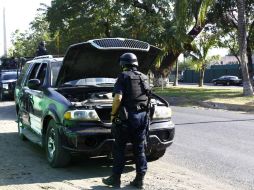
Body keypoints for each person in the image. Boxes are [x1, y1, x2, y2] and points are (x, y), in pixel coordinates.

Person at [102, 53, 150, 189]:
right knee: (139, 149)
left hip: (126, 119)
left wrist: (112, 114)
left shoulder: (123, 77)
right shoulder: (144, 77)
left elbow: (118, 98)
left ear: (123, 64)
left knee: (119, 148)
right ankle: (139, 180)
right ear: (135, 64)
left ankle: (115, 179)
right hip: (142, 118)